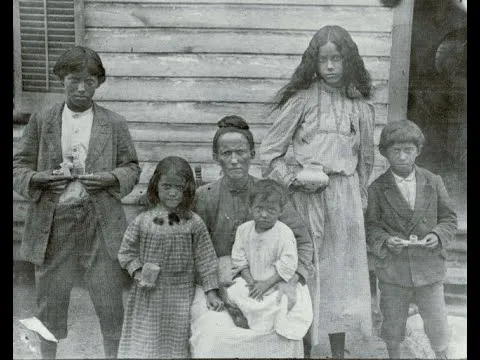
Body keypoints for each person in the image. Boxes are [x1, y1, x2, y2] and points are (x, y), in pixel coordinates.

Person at [12, 46, 141, 359]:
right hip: (54, 225)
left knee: (110, 303)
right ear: (61, 80)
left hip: (100, 225)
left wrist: (111, 178)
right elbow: (18, 166)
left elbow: (132, 167)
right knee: (49, 303)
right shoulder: (44, 121)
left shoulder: (114, 123)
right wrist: (38, 178)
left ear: (99, 83)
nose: (82, 87)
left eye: (90, 81)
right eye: (75, 80)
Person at [259, 24, 375, 358]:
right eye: (323, 59)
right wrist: (294, 178)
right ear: (314, 62)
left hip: (347, 197)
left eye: (336, 58)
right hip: (307, 196)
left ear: (348, 60)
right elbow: (270, 153)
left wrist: (359, 197)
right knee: (307, 268)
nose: (329, 67)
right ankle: (304, 347)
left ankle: (337, 350)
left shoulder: (360, 105)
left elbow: (365, 158)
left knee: (342, 275)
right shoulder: (302, 101)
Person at [189, 115, 314, 358]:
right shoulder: (204, 197)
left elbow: (303, 241)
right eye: (226, 154)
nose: (234, 160)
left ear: (252, 154)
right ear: (216, 158)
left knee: (282, 328)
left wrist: (291, 279)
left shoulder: (269, 193)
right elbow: (192, 249)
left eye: (241, 152)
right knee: (213, 334)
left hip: (272, 280)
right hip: (217, 283)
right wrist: (214, 282)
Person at [365, 120, 457, 359]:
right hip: (394, 271)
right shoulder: (377, 188)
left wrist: (437, 235)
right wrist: (385, 241)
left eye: (408, 150)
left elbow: (449, 218)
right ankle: (394, 355)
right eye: (396, 151)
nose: (403, 157)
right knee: (393, 323)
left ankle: (442, 355)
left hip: (429, 268)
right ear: (385, 153)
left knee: (437, 321)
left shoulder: (433, 181)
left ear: (418, 150)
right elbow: (371, 227)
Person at [117, 156, 224, 358]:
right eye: (166, 186)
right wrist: (138, 272)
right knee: (146, 341)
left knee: (175, 343)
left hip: (180, 295)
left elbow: (206, 258)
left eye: (179, 187)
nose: (173, 193)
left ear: (188, 189)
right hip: (148, 295)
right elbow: (126, 252)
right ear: (156, 186)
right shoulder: (144, 220)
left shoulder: (194, 223)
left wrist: (211, 292)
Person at [227, 179, 313, 339]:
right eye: (259, 209)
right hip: (251, 280)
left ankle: (268, 326)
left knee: (282, 301)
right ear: (250, 207)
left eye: (271, 210)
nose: (264, 214)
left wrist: (266, 284)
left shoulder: (284, 233)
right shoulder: (244, 230)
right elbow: (239, 258)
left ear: (280, 211)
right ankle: (247, 320)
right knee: (235, 292)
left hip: (275, 282)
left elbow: (288, 264)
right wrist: (251, 282)